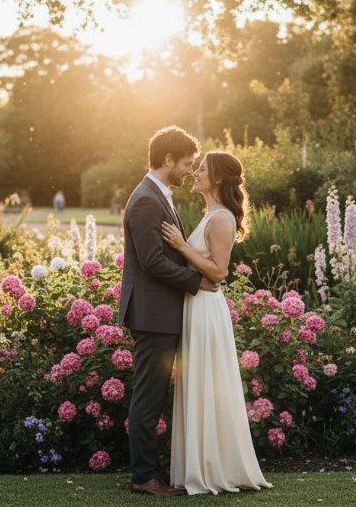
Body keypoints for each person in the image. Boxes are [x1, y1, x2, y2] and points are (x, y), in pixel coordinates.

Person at [162, 150, 271, 495]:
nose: (195, 173)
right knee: (198, 384)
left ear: (218, 178)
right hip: (196, 306)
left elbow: (219, 272)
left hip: (207, 310)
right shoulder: (210, 215)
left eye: (202, 170)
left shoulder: (221, 218)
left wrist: (181, 246)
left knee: (206, 382)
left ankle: (211, 469)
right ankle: (198, 465)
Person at [119, 126, 219, 497]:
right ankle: (144, 477)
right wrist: (197, 281)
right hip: (153, 315)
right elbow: (152, 262)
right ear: (167, 161)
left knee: (153, 395)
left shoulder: (157, 195)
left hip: (159, 313)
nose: (190, 172)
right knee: (148, 396)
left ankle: (150, 471)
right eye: (187, 164)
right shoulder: (146, 199)